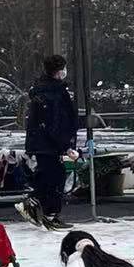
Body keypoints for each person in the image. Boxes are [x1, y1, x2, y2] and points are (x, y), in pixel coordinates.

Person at [19, 54, 79, 230]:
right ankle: (46, 211)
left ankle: (44, 210)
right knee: (53, 178)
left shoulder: (46, 90)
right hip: (48, 144)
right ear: (59, 71)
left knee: (49, 176)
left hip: (43, 143)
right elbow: (53, 122)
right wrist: (65, 145)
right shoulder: (52, 93)